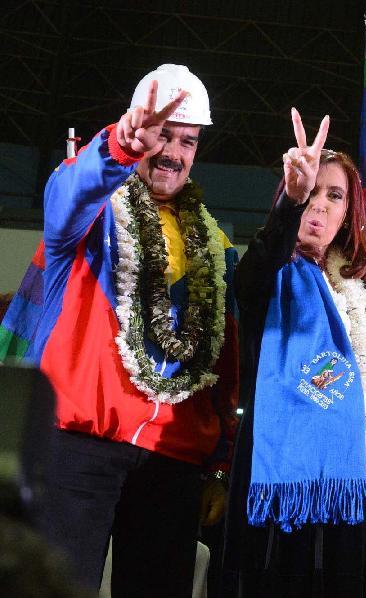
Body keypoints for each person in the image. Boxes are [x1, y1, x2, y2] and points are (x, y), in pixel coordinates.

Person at [26, 64, 239, 596]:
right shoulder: (93, 215)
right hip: (79, 445)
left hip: (174, 456)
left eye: (188, 140)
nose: (173, 152)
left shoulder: (216, 247)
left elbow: (225, 362)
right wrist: (119, 145)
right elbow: (63, 197)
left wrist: (217, 463)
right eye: (163, 135)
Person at [222, 109, 366, 597]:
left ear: (348, 213)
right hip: (283, 483)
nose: (319, 206)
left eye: (335, 196)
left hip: (354, 483)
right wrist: (290, 201)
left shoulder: (362, 296)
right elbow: (251, 275)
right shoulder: (269, 277)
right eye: (310, 194)